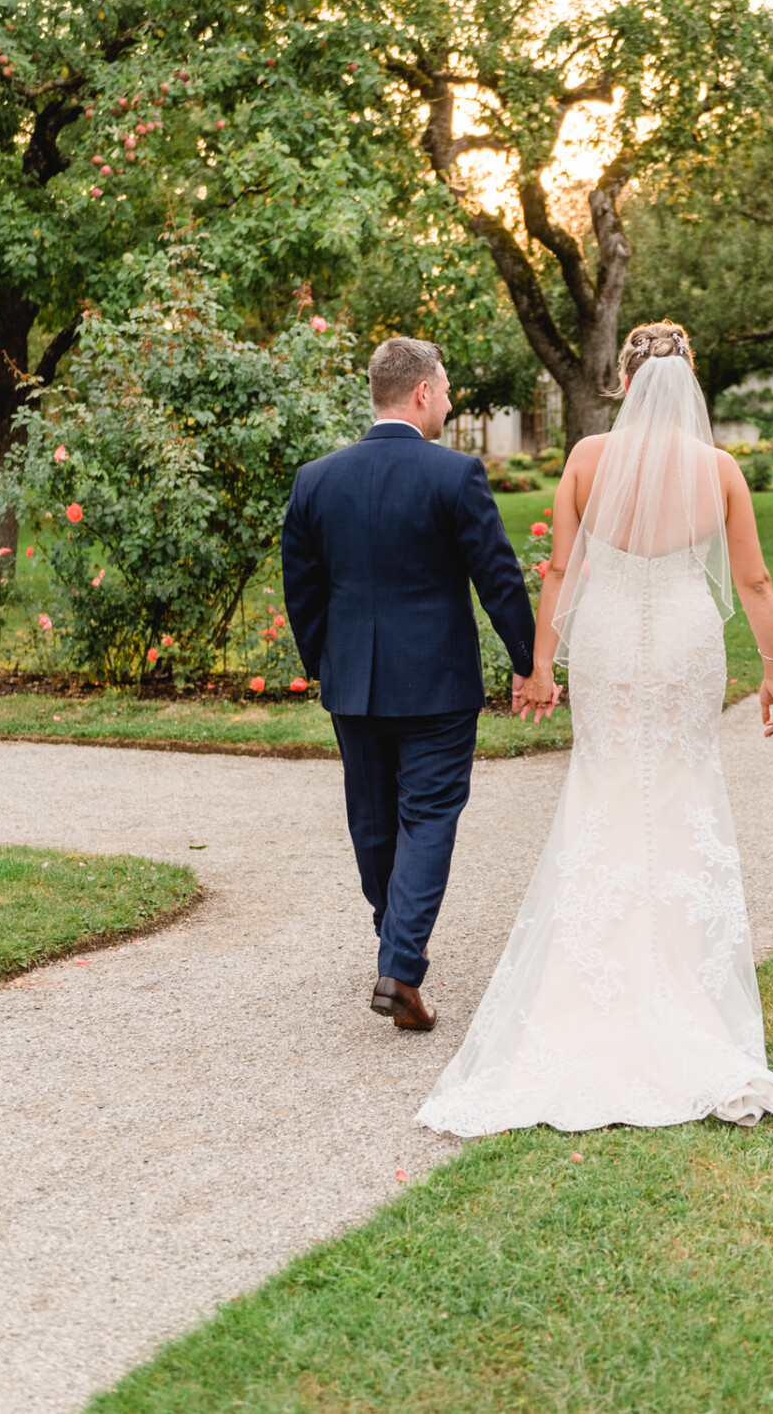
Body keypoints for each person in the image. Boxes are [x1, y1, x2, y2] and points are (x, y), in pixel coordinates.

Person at [417, 321, 773, 1133]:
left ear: (626, 383)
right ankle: (683, 983)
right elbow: (755, 576)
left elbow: (559, 569)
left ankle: (587, 980)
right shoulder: (719, 469)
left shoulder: (588, 460)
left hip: (604, 644)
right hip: (683, 638)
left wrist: (538, 665)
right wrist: (771, 668)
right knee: (681, 784)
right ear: (689, 385)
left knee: (602, 786)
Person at [281, 336, 535, 1034]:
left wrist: (325, 663)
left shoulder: (316, 478)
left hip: (354, 686)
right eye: (447, 389)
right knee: (428, 819)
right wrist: (526, 657)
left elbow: (301, 592)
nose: (450, 402)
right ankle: (399, 967)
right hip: (439, 685)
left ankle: (395, 947)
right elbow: (498, 577)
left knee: (373, 821)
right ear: (421, 392)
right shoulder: (455, 476)